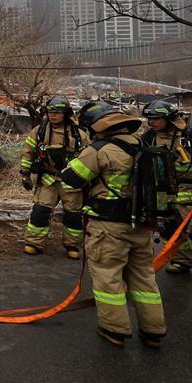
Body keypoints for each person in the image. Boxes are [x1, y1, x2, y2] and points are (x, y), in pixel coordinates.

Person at [61, 101, 165, 348]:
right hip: (140, 227)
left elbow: (70, 179)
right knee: (144, 279)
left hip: (108, 227)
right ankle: (154, 330)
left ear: (97, 127)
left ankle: (114, 329)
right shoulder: (143, 146)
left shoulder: (100, 149)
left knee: (108, 278)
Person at [140, 99, 192, 292]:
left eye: (156, 118)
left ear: (169, 119)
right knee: (170, 230)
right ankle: (182, 261)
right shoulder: (148, 138)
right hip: (164, 193)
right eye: (149, 119)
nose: (151, 122)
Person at [18, 96, 87, 258]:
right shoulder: (39, 131)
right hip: (48, 179)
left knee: (73, 216)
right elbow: (28, 152)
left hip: (71, 181)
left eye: (57, 112)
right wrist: (25, 174)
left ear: (66, 113)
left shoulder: (79, 135)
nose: (53, 115)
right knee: (40, 212)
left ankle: (72, 246)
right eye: (50, 112)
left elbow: (88, 158)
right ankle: (34, 242)